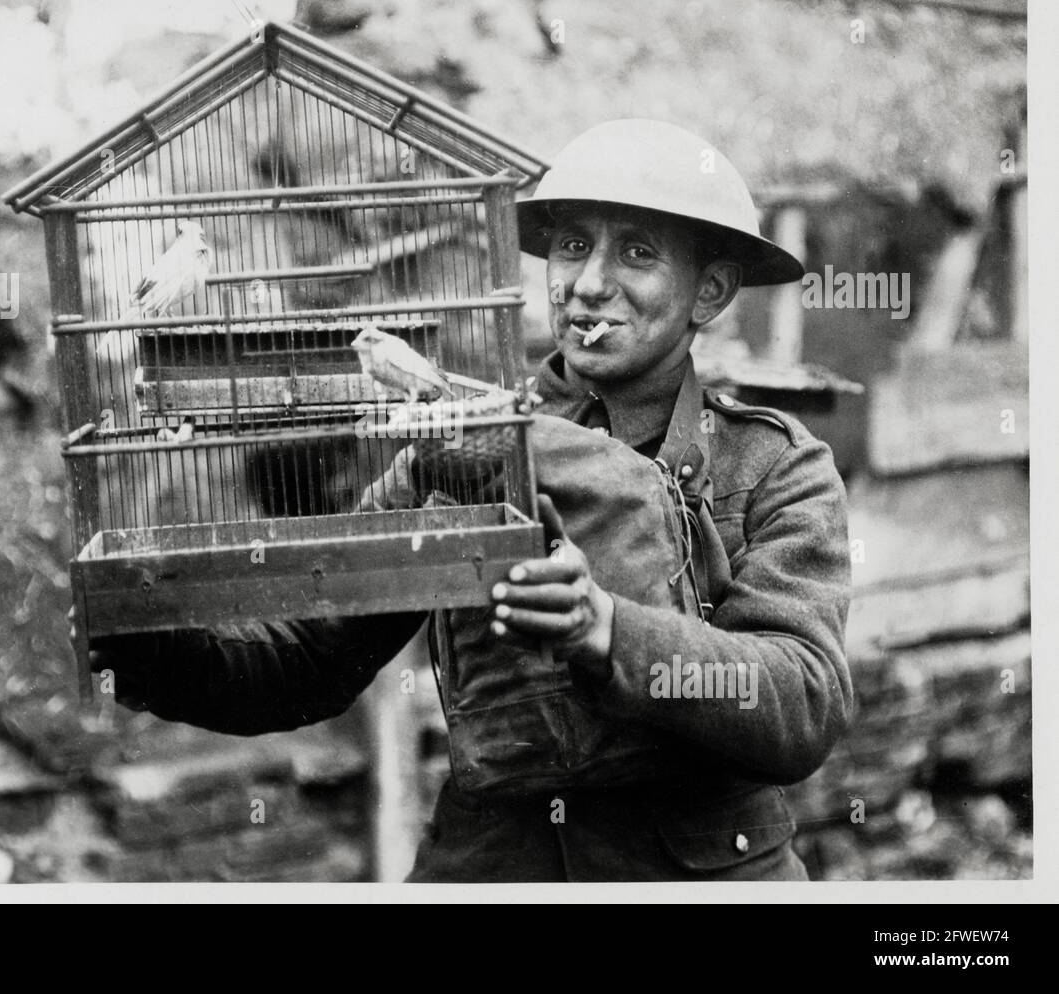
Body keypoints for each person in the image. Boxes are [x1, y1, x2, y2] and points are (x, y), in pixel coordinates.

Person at [84, 118, 853, 881]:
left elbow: (805, 699)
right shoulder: (463, 441)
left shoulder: (770, 464)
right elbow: (312, 657)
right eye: (573, 246)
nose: (588, 283)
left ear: (711, 291)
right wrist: (146, 642)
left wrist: (608, 630)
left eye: (639, 254)